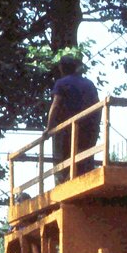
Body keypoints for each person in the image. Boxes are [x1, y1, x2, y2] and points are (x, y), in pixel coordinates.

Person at [46, 54, 100, 182]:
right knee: (86, 158)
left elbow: (55, 106)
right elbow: (99, 105)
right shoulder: (89, 84)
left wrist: (49, 128)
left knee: (67, 159)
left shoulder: (61, 83)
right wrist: (96, 124)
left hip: (69, 130)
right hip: (89, 129)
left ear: (61, 68)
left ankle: (67, 180)